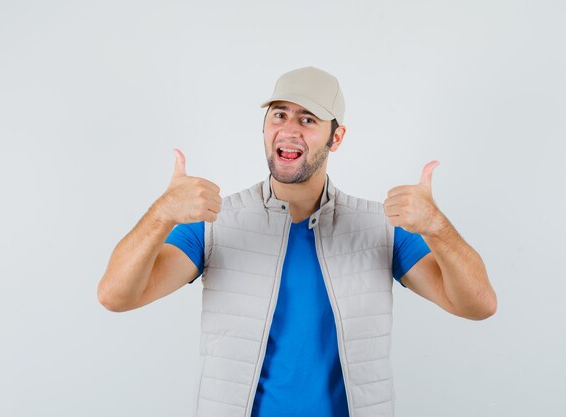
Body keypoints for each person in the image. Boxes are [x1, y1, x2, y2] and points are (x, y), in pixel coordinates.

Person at [97, 66, 497, 417]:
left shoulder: (383, 228)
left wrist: (436, 227)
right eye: (279, 115)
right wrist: (161, 213)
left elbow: (478, 305)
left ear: (336, 137)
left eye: (308, 119)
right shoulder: (214, 223)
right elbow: (116, 296)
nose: (288, 129)